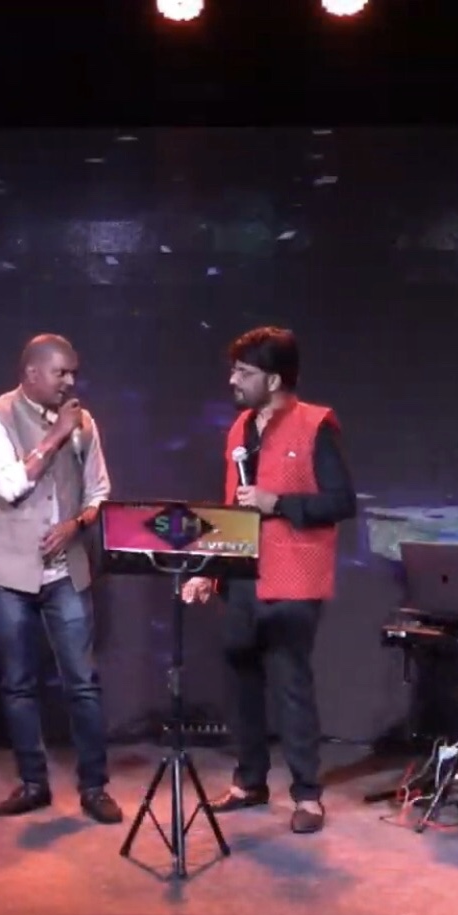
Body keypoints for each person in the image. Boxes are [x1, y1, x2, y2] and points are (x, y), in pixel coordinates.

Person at [182, 326, 356, 834]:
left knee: (290, 683)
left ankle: (307, 795)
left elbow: (341, 502)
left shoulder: (316, 424)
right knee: (242, 680)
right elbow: (232, 508)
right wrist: (209, 570)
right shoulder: (239, 428)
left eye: (244, 372)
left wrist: (276, 503)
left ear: (274, 379)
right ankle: (249, 781)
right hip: (242, 574)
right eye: (234, 370)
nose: (233, 380)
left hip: (293, 575)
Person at [0, 334, 121, 823]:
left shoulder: (84, 422)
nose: (70, 382)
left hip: (65, 570)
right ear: (32, 373)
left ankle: (95, 787)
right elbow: (10, 485)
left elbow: (99, 491)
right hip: (7, 571)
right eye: (61, 373)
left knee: (83, 683)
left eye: (74, 372)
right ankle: (33, 783)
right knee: (19, 683)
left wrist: (76, 524)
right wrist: (56, 435)